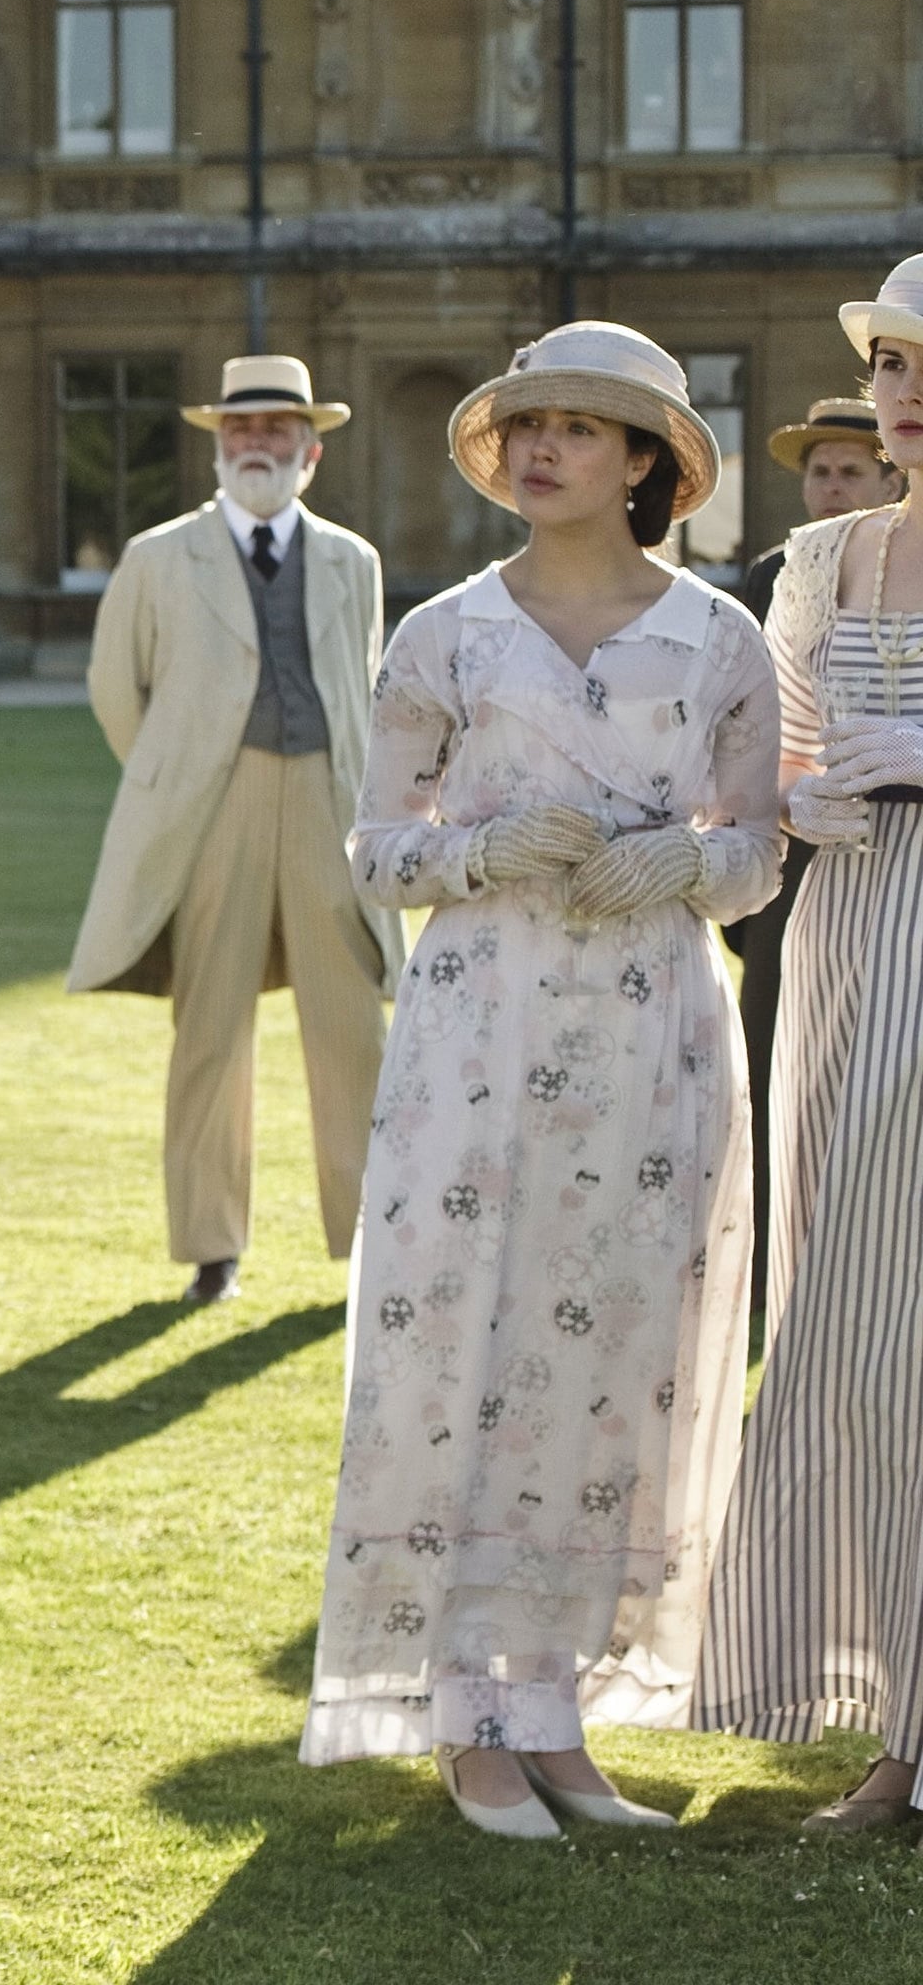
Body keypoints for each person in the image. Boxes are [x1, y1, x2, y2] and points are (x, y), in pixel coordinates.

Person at [303, 321, 772, 1839]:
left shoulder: (719, 638)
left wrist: (682, 865)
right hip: (478, 1031)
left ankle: (555, 1713)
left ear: (645, 463)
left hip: (652, 1033)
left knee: (617, 1351)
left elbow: (757, 850)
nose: (542, 448)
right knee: (465, 1343)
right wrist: (480, 852)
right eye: (526, 425)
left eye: (578, 427)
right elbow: (377, 850)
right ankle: (467, 1717)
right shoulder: (443, 634)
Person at [703, 260, 923, 1834]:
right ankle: (897, 1711)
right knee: (846, 1332)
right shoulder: (828, 555)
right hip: (842, 940)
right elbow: (764, 763)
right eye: (893, 365)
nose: (908, 394)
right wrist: (801, 793)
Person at [70, 355, 400, 1305]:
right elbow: (115, 689)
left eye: (276, 430)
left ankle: (372, 1242)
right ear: (218, 447)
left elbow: (363, 685)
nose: (257, 444)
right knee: (210, 1029)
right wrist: (177, 777)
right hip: (213, 810)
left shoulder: (353, 560)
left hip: (330, 805)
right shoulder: (157, 557)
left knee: (352, 1031)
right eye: (241, 430)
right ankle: (212, 1247)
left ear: (310, 451)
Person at [718, 393, 898, 1265]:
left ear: (887, 477)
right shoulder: (775, 574)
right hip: (802, 862)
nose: (830, 486)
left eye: (848, 471)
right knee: (772, 1052)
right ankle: (765, 1245)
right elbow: (752, 722)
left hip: (897, 850)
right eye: (818, 472)